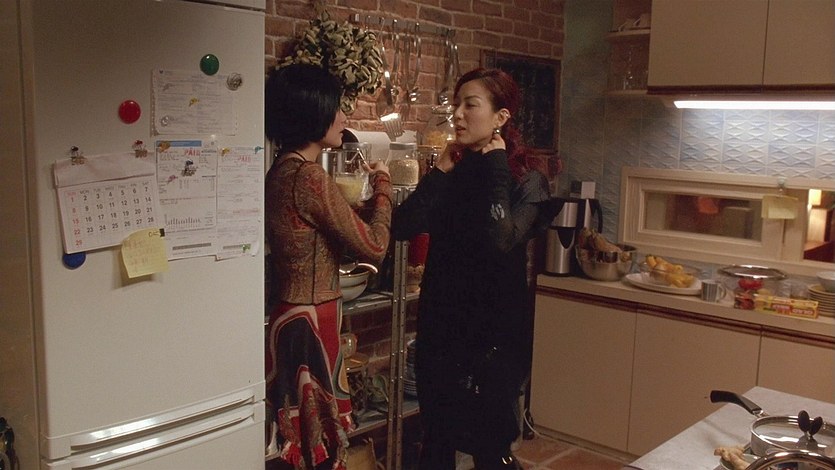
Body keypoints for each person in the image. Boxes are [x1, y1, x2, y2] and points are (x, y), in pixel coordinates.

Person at [392, 68, 553, 470]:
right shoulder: (452, 172)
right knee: (437, 440)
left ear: (501, 117)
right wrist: (438, 172)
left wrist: (497, 163)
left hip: (493, 337)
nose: (458, 114)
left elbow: (501, 239)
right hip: (441, 329)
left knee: (490, 448)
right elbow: (402, 227)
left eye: (470, 105)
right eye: (456, 104)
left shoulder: (527, 181)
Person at [264, 63, 393, 470]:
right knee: (320, 450)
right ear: (313, 113)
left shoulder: (280, 170)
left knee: (298, 446)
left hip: (288, 315)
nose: (342, 118)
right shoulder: (311, 177)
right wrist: (384, 186)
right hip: (314, 322)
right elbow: (375, 246)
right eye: (335, 108)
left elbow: (323, 225)